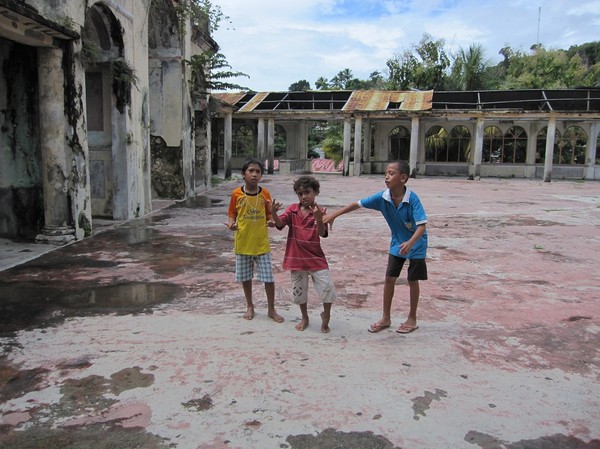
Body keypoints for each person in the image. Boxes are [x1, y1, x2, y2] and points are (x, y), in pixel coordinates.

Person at [323, 161, 427, 334]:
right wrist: (335, 214)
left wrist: (410, 243)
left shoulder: (412, 199)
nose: (386, 176)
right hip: (397, 244)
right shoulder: (382, 198)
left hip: (416, 244)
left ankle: (412, 318)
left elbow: (422, 226)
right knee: (389, 279)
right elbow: (357, 204)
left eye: (391, 173)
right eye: (386, 173)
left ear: (403, 178)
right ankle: (386, 317)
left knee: (412, 280)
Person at [271, 176, 336, 333]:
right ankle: (305, 317)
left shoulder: (320, 212)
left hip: (316, 259)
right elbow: (280, 224)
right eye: (300, 194)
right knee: (299, 291)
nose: (304, 196)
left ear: (316, 192)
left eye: (307, 192)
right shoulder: (292, 210)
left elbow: (322, 233)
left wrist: (319, 219)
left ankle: (326, 316)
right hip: (296, 259)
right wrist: (273, 213)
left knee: (327, 288)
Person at [225, 158, 284, 323]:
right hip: (243, 241)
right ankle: (249, 305)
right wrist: (231, 224)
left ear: (261, 176)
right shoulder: (236, 194)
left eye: (258, 172)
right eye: (251, 171)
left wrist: (272, 219)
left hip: (261, 243)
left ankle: (271, 309)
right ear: (243, 174)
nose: (254, 174)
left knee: (268, 278)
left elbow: (269, 214)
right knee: (246, 277)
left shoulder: (265, 194)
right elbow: (231, 213)